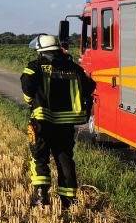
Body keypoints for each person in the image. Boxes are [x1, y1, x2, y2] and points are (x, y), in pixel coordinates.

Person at [21, 34, 96, 209]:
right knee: (65, 159)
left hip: (43, 121)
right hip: (66, 124)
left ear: (41, 51)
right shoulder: (74, 68)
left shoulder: (35, 67)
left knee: (39, 157)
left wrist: (31, 101)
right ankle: (68, 200)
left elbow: (27, 87)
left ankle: (41, 196)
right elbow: (89, 87)